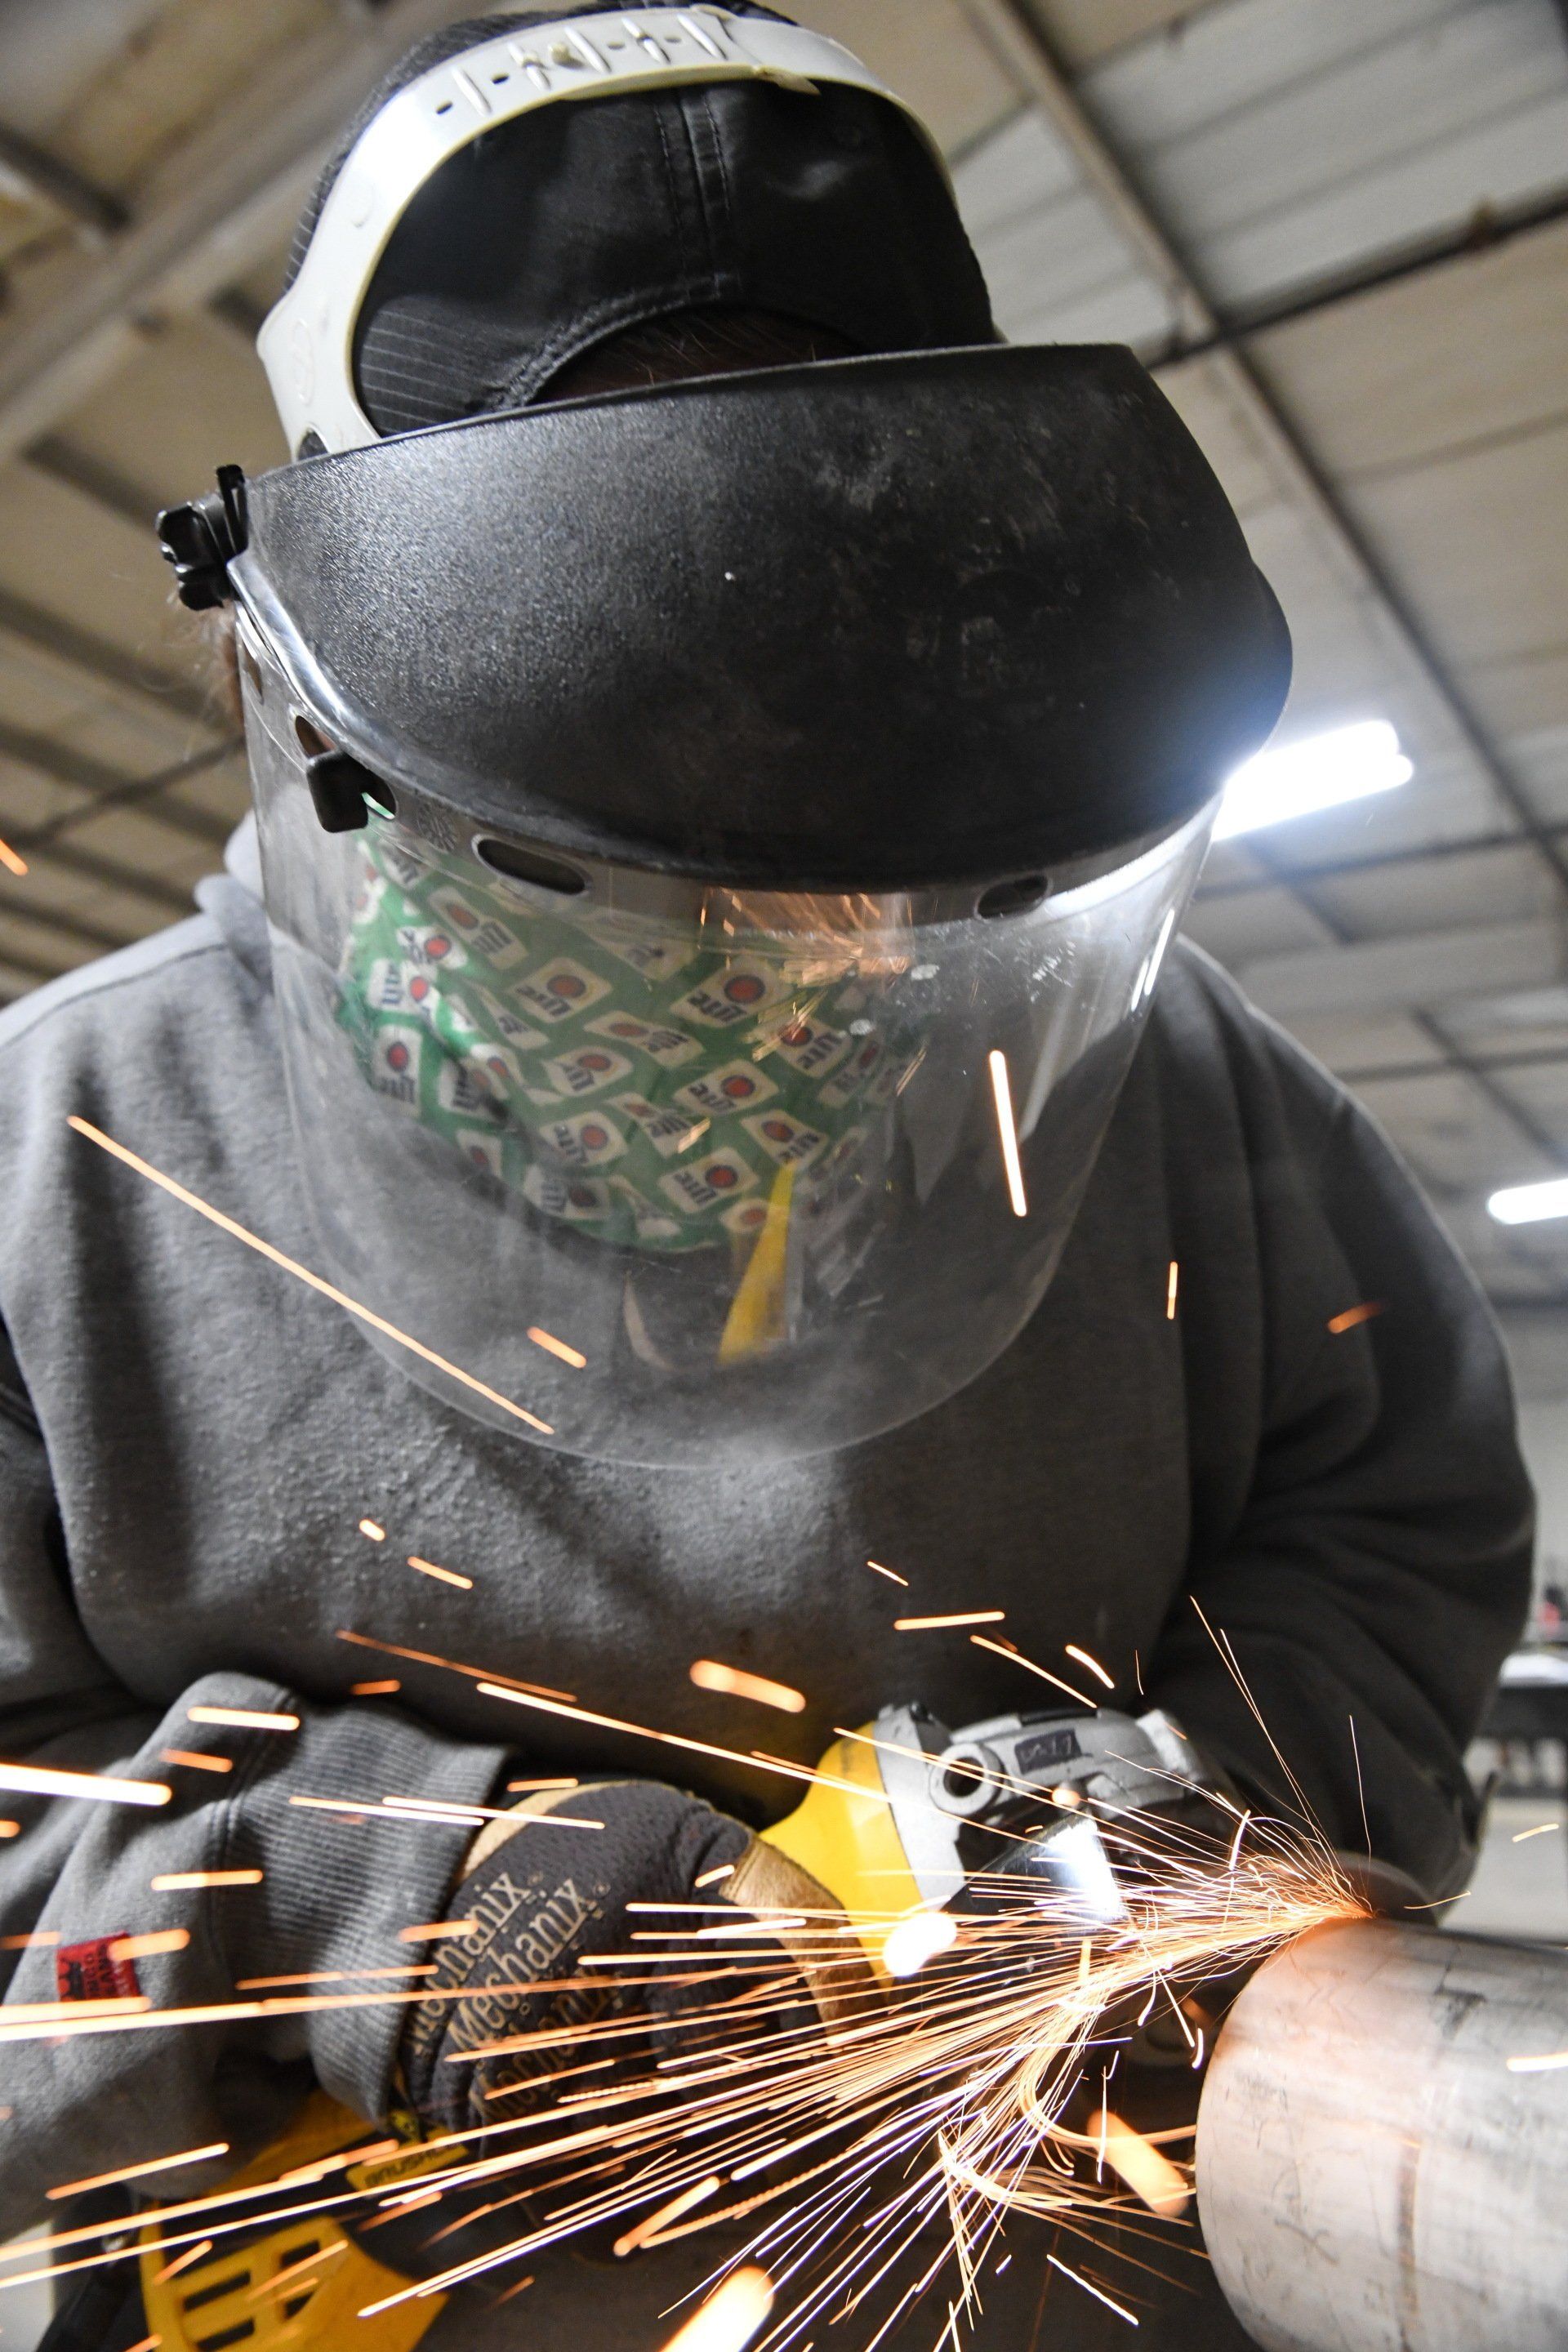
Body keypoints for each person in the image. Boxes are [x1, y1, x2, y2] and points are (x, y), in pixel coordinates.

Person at [0, 8, 1531, 2347]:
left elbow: (1395, 1530)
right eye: (629, 766)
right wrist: (367, 1910)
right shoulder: (63, 1158)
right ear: (336, 683)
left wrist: (1176, 1811)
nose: (758, 904)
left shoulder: (1179, 1093)